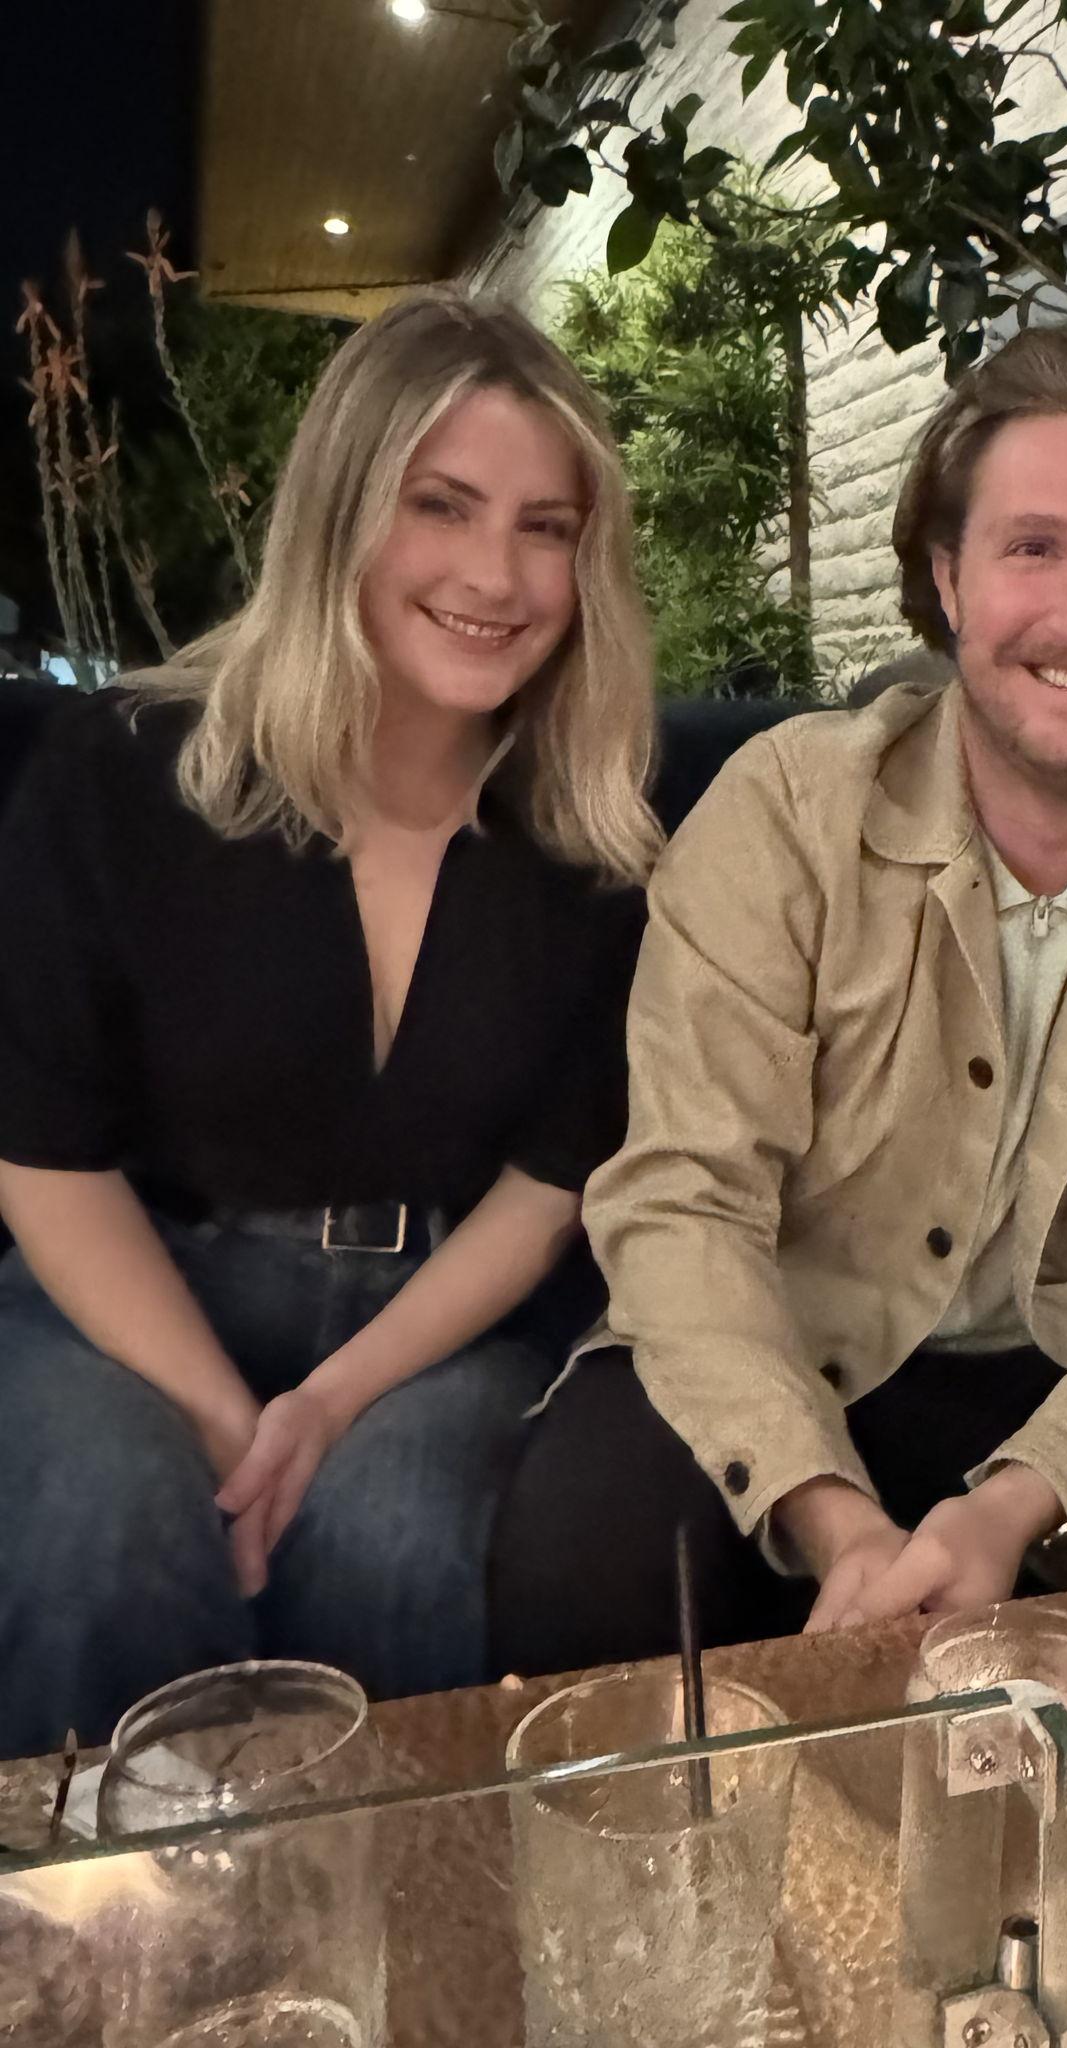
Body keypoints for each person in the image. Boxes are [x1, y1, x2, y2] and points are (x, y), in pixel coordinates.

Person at [504, 320, 1067, 1662]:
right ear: (948, 578)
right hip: (782, 1339)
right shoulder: (785, 811)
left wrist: (1017, 1510)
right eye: (1032, 548)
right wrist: (836, 1518)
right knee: (586, 1543)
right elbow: (685, 1205)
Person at [0, 290, 661, 1759]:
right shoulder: (120, 774)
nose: (497, 574)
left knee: (397, 1535)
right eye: (444, 506)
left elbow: (552, 1189)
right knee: (112, 1522)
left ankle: (400, 1954)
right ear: (341, 511)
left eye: (546, 527)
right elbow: (45, 1155)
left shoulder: (597, 843)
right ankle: (106, 1963)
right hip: (129, 1296)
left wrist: (335, 1398)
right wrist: (230, 1421)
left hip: (438, 1316)